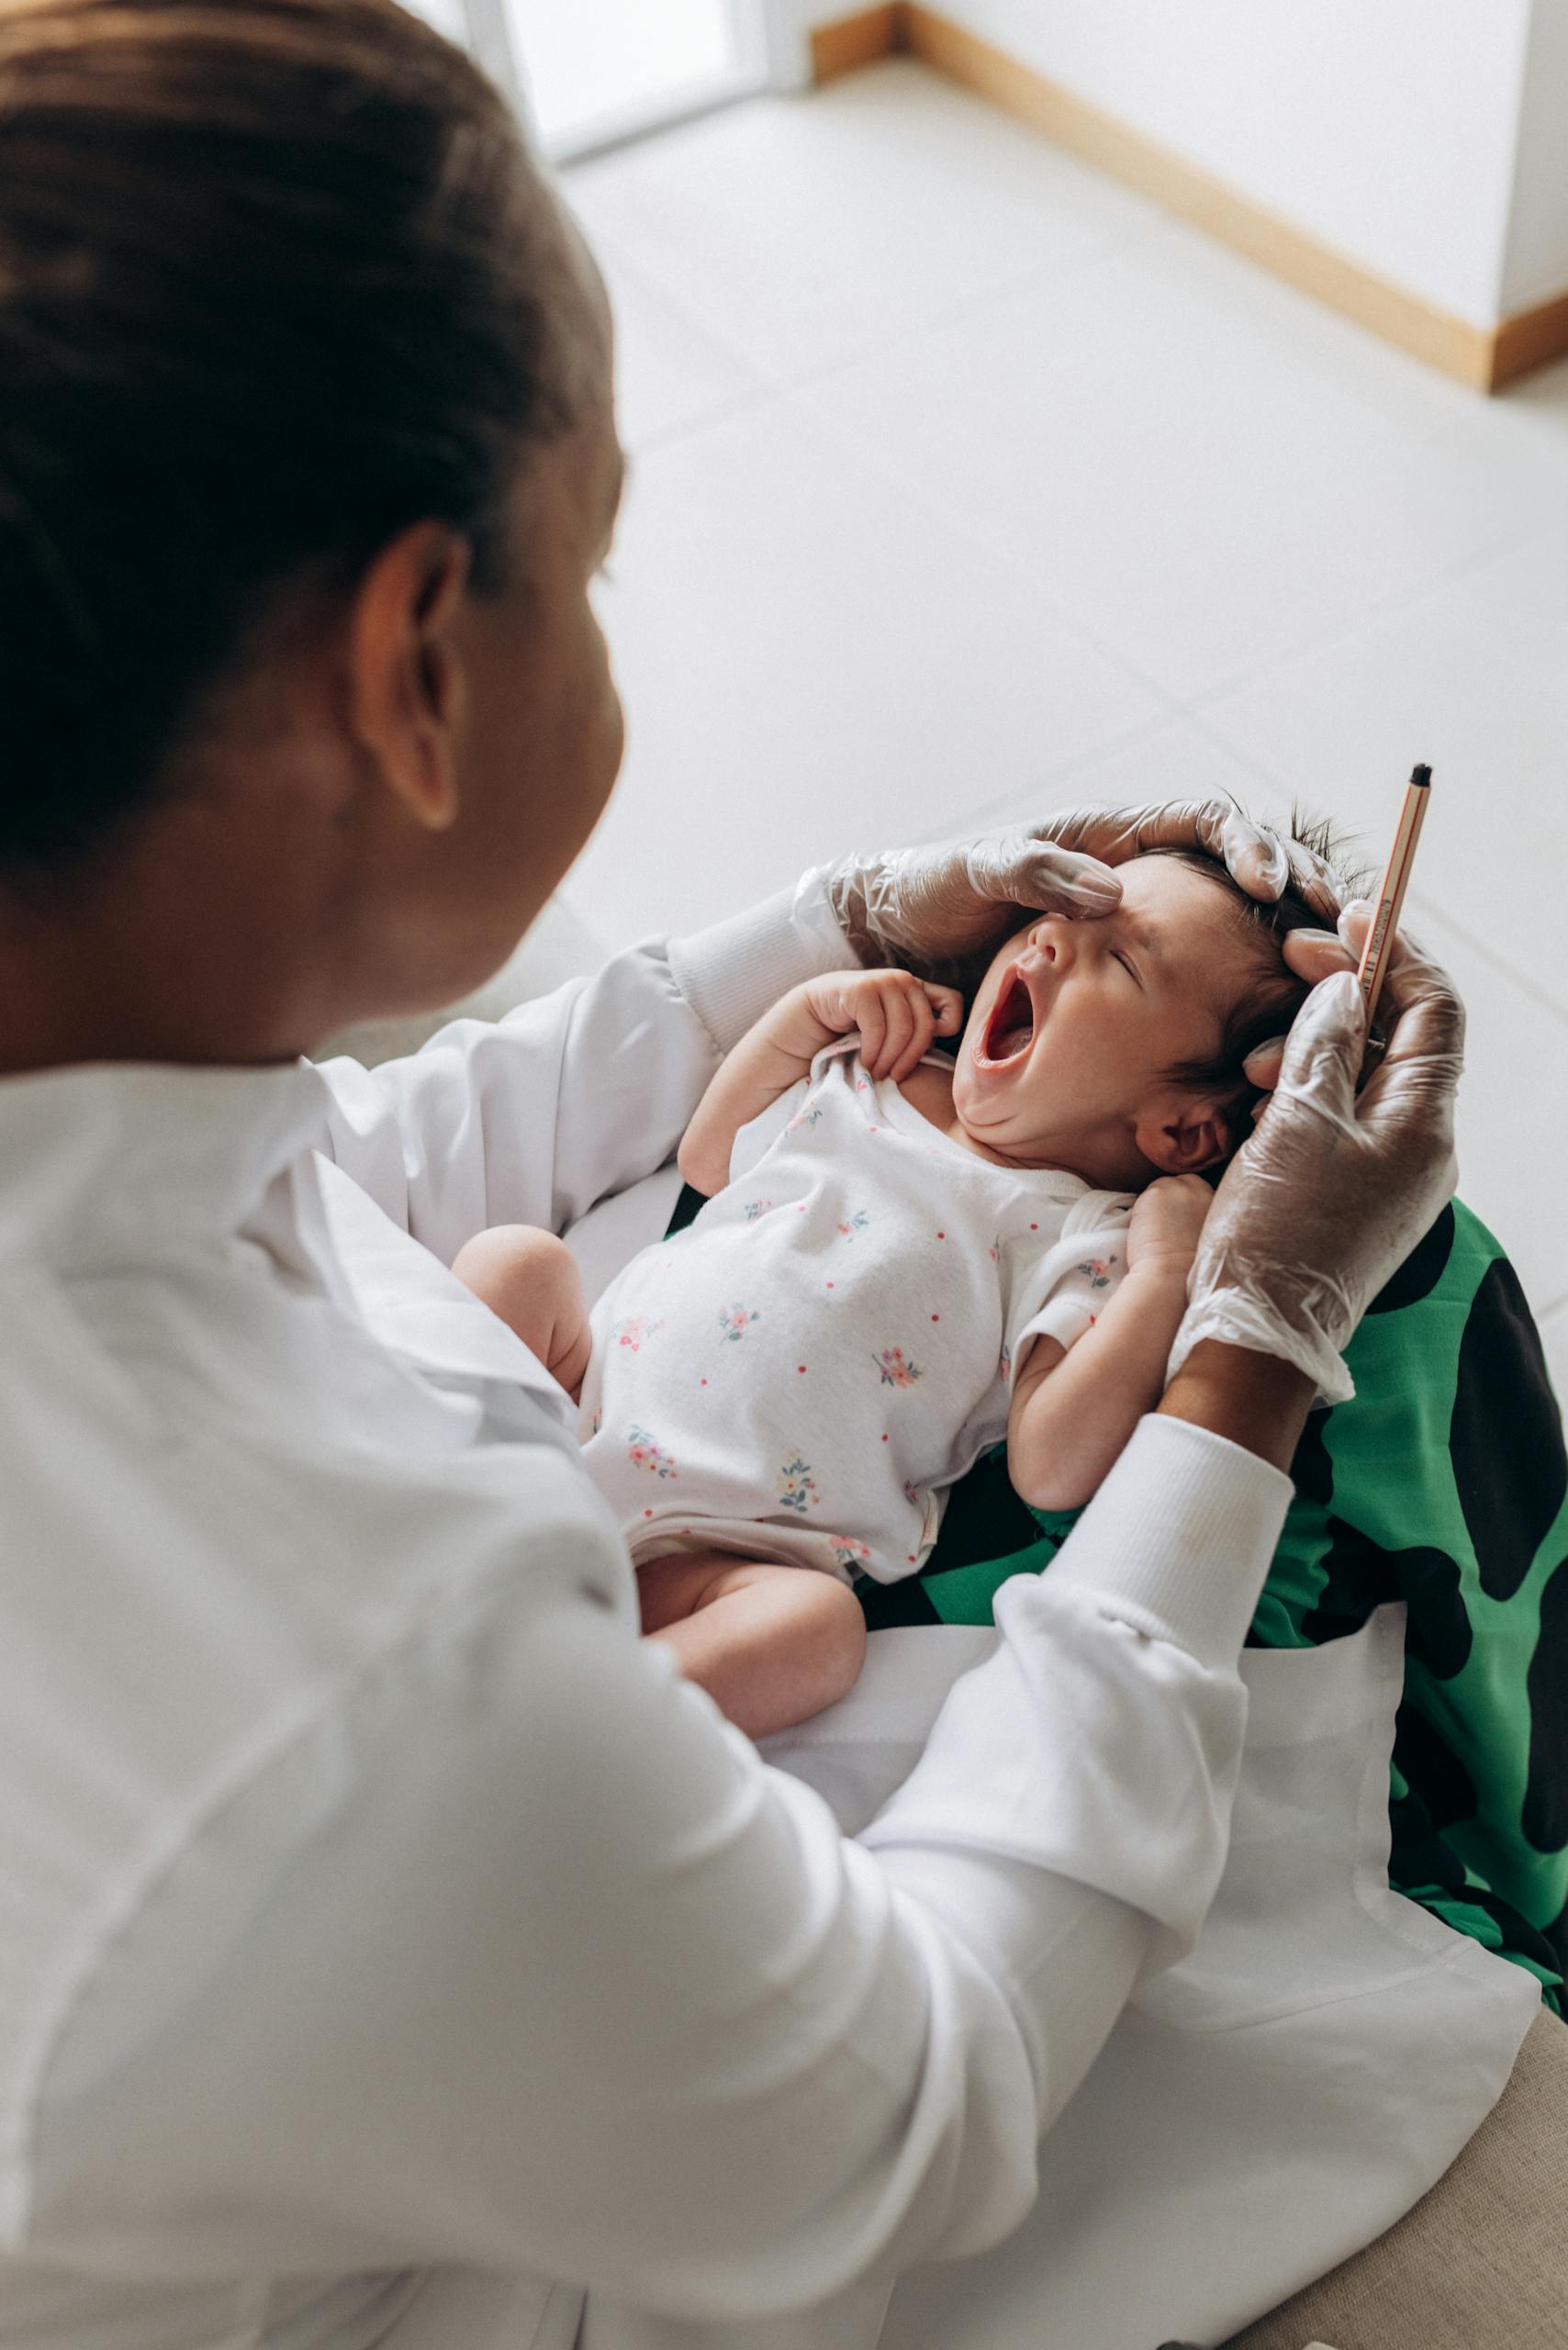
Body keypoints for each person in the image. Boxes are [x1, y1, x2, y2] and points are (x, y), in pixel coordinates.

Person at [0, 6, 1483, 2348]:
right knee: (1232, 1859)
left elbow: (362, 1160)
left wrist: (845, 923)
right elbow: (913, 2111)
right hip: (411, 2155)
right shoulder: (343, 1686)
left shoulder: (106, 1072)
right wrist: (1264, 1349)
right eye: (590, 555)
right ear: (415, 661)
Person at [453, 848, 1326, 1740]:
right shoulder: (883, 1067)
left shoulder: (1090, 1236)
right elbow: (711, 1159)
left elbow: (1053, 1465)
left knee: (816, 1633)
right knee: (516, 1265)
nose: (1053, 939)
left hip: (725, 1549)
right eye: (1053, 918)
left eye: (1121, 958)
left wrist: (1166, 1278)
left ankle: (569, 1717)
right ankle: (425, 1485)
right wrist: (804, 1015)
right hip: (573, 1406)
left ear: (1181, 1129)